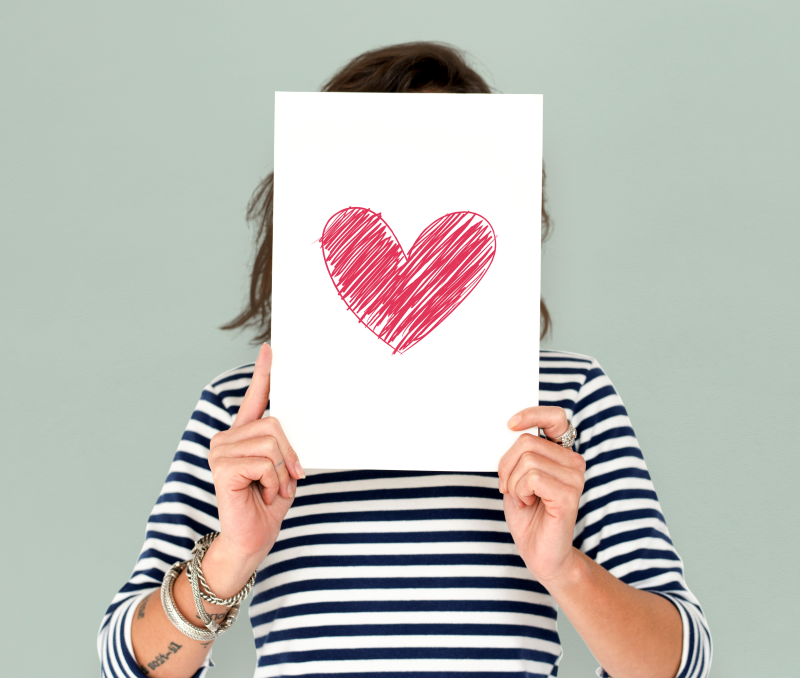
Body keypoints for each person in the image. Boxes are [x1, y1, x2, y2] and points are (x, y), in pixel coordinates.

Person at [98, 42, 711, 678]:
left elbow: (680, 663)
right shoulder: (244, 414)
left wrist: (562, 565)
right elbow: (129, 664)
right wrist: (235, 551)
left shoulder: (565, 402)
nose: (410, 192)